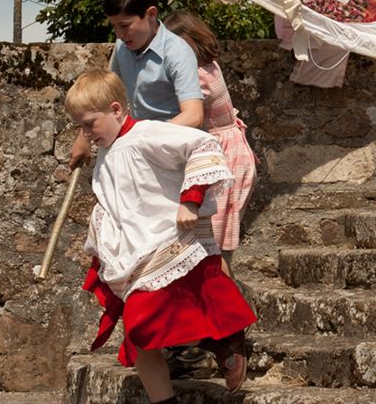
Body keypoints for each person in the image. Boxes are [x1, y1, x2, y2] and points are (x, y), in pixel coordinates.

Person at [65, 69, 256, 403]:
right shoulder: (108, 151)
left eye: (89, 124)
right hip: (139, 251)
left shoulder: (148, 134)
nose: (85, 133)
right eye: (80, 126)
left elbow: (202, 145)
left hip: (167, 241)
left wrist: (190, 201)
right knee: (137, 339)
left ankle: (219, 340)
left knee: (141, 324)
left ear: (115, 109)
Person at [67, 0, 204, 170]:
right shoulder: (122, 47)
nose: (118, 34)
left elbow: (193, 115)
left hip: (171, 155)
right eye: (114, 26)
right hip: (138, 152)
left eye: (124, 25)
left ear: (151, 14)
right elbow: (104, 96)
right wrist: (84, 138)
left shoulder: (177, 52)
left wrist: (145, 138)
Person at [162, 11, 258, 274]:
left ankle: (229, 311)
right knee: (214, 246)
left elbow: (188, 115)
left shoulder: (197, 75)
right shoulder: (209, 65)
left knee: (210, 247)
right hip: (233, 151)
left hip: (224, 158)